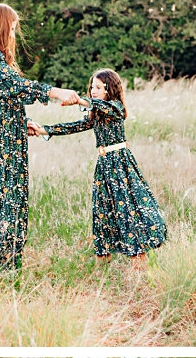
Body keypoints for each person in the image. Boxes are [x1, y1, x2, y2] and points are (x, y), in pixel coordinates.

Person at [0, 3, 81, 271]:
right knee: (1, 197)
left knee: (4, 196)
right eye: (12, 28)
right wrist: (56, 91)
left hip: (2, 130)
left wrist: (20, 120)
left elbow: (2, 96)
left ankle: (1, 266)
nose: (13, 35)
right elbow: (14, 86)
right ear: (0, 25)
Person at [30, 70, 168, 277]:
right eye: (92, 87)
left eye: (98, 88)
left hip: (120, 165)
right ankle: (102, 262)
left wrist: (80, 101)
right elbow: (74, 126)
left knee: (127, 211)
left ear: (109, 90)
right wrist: (42, 130)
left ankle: (139, 265)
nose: (93, 91)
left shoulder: (115, 107)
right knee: (102, 210)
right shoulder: (97, 113)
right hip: (104, 165)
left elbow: (104, 106)